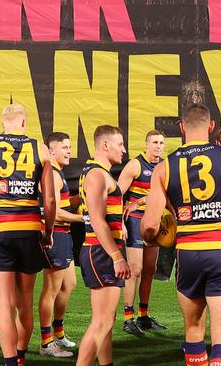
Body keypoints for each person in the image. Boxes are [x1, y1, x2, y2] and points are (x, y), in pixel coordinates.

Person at [141, 104, 221, 366]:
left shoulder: (164, 167)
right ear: (211, 127)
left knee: (194, 331)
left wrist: (154, 235)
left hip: (187, 254)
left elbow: (150, 226)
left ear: (182, 127)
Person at [0, 103, 57, 366]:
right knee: (25, 302)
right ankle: (21, 357)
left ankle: (10, 362)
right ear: (24, 123)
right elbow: (49, 200)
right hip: (30, 229)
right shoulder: (40, 148)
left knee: (4, 306)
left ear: (3, 122)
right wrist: (48, 231)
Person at [76, 125, 131, 366]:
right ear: (105, 145)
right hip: (101, 252)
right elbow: (97, 220)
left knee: (106, 320)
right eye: (120, 144)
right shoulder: (97, 174)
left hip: (98, 250)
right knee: (102, 322)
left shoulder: (96, 173)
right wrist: (116, 255)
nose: (124, 150)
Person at [115, 128, 167, 335]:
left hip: (154, 220)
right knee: (134, 270)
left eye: (161, 143)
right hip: (135, 221)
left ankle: (143, 316)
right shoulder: (136, 164)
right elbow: (116, 196)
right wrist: (121, 224)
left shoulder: (164, 166)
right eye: (154, 142)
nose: (158, 146)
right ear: (146, 144)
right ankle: (128, 318)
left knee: (149, 270)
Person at [40, 131, 82, 358]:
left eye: (69, 147)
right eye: (64, 147)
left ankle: (58, 332)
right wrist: (82, 218)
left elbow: (63, 202)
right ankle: (46, 343)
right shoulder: (53, 174)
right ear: (52, 150)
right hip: (55, 235)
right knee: (51, 289)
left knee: (69, 284)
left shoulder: (58, 173)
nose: (69, 151)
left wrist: (79, 199)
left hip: (64, 235)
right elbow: (53, 212)